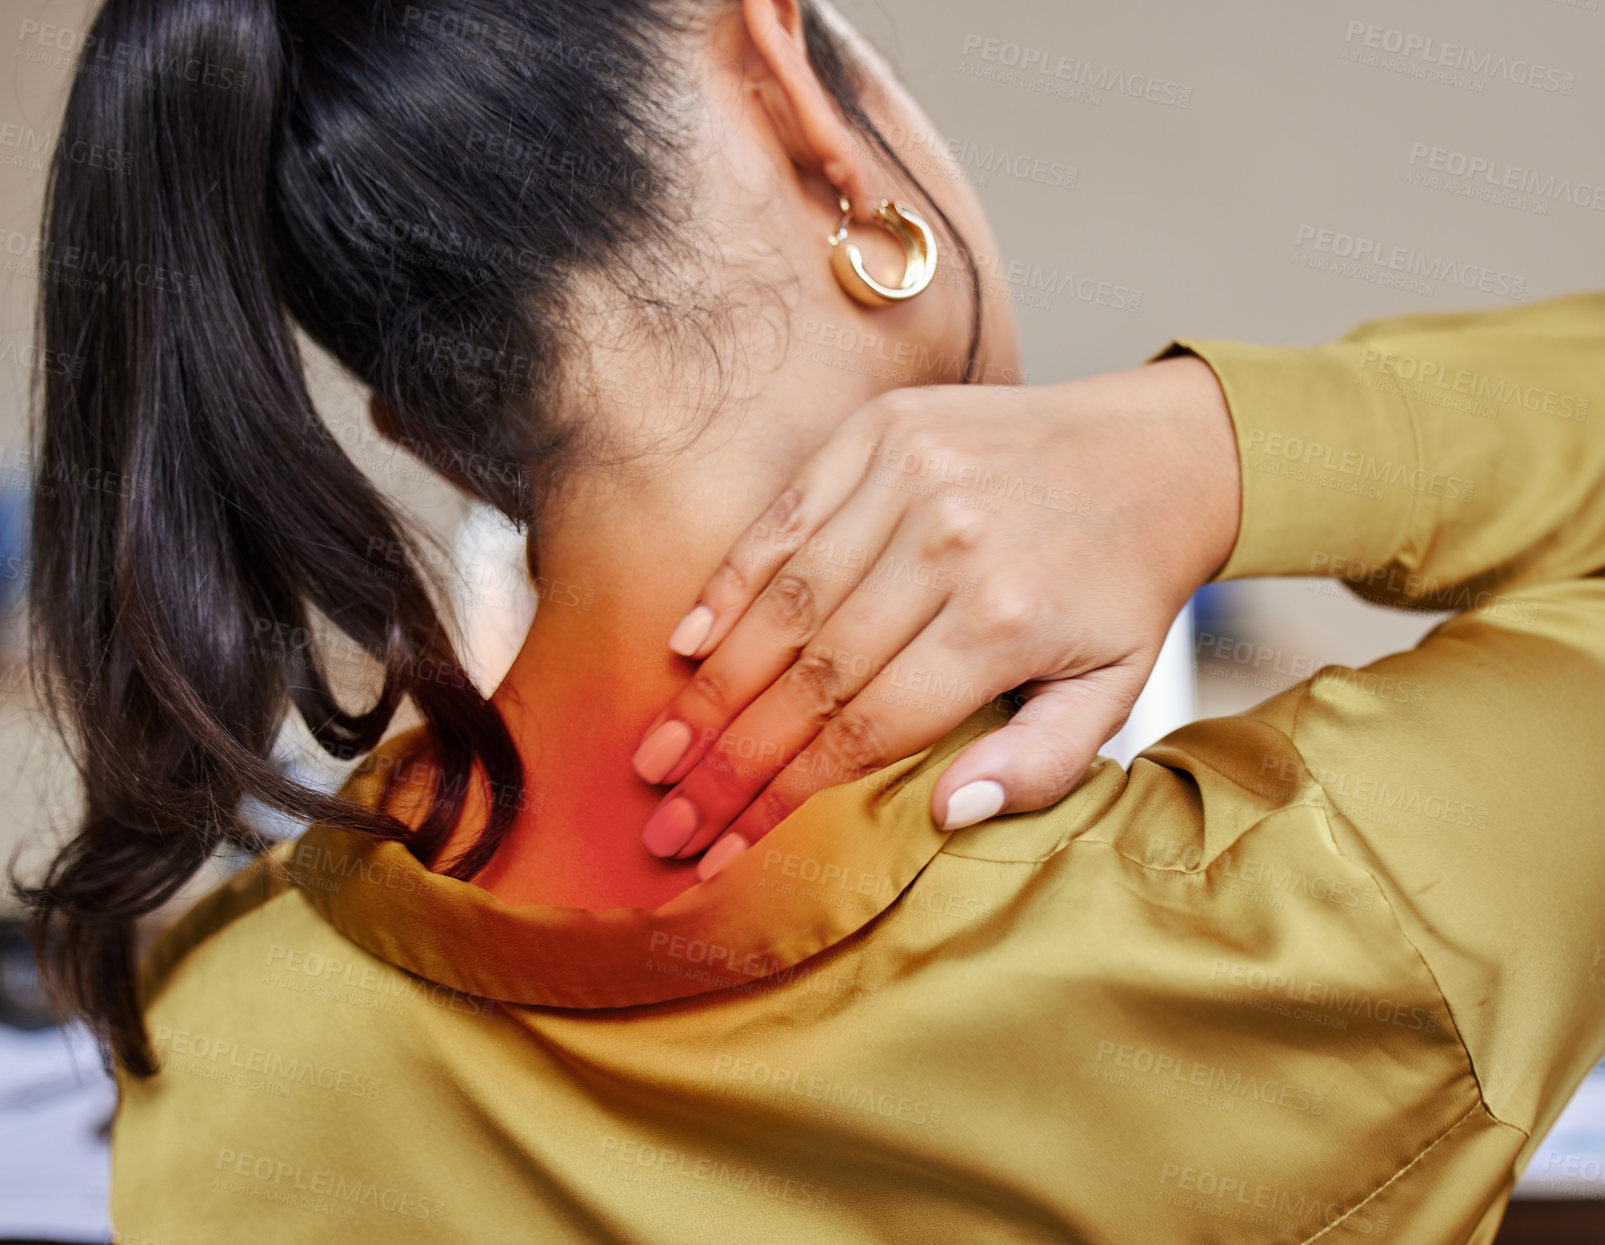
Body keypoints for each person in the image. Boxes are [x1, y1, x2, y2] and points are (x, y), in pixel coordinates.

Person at [17, 0, 1605, 1240]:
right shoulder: (1316, 932)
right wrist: (1216, 442)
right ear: (809, 114)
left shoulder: (219, 1037)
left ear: (427, 424)